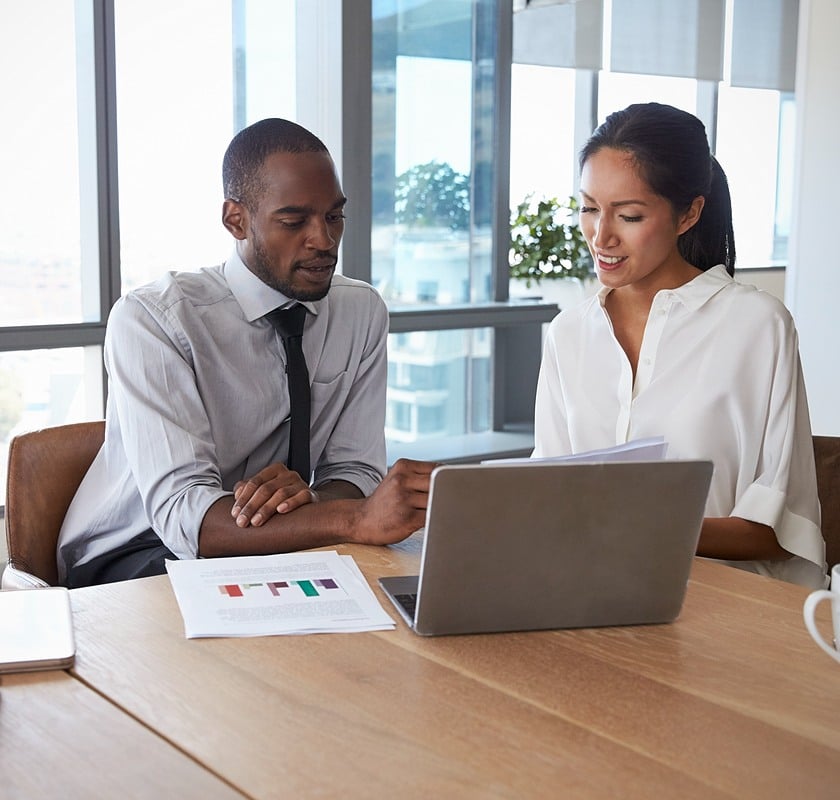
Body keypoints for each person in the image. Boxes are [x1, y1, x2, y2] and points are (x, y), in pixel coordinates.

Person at [57, 118, 435, 588]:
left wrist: (313, 502)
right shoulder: (154, 319)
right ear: (236, 219)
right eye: (294, 221)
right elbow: (185, 518)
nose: (324, 240)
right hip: (136, 554)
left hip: (273, 544)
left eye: (334, 216)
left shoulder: (360, 312)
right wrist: (352, 518)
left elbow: (354, 470)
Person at [533, 102, 827, 589]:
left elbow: (781, 530)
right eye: (588, 208)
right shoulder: (569, 332)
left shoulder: (757, 326)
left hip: (726, 613)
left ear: (689, 213)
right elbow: (547, 491)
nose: (599, 235)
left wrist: (643, 529)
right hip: (587, 594)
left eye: (628, 215)